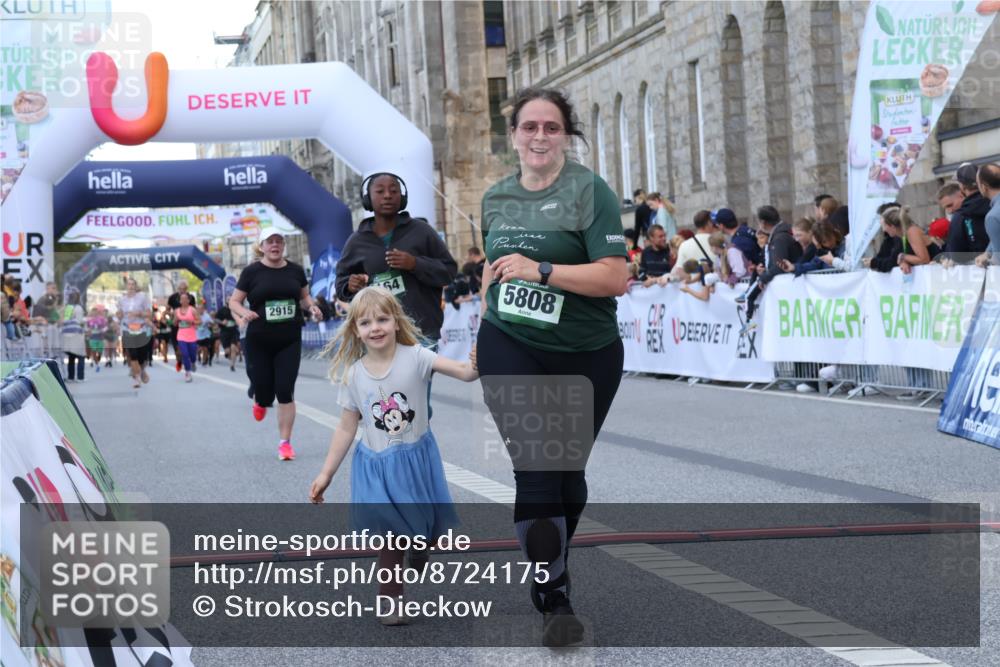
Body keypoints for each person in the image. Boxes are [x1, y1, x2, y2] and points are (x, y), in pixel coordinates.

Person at [477, 87, 629, 646]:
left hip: (586, 349)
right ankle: (554, 593)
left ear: (566, 134)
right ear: (513, 134)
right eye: (529, 127)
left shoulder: (590, 192)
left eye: (551, 127)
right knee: (537, 468)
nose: (539, 136)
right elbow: (495, 271)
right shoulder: (495, 198)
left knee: (568, 480)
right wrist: (481, 332)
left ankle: (552, 565)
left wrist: (542, 270)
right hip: (510, 341)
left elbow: (615, 277)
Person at [309, 287, 478, 626]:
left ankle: (422, 544)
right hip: (377, 466)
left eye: (383, 319)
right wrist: (326, 473)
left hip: (417, 460)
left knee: (426, 530)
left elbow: (464, 372)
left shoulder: (416, 356)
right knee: (391, 538)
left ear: (396, 321)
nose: (375, 328)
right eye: (366, 322)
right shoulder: (354, 375)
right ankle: (390, 599)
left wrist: (477, 359)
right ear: (355, 329)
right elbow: (346, 428)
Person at [229, 227, 323, 461]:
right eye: (270, 242)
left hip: (289, 339)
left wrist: (312, 307)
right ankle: (260, 400)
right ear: (261, 246)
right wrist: (244, 313)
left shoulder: (296, 270)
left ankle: (285, 443)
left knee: (285, 391)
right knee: (263, 390)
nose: (275, 245)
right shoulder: (251, 272)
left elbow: (303, 297)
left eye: (279, 241)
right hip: (259, 339)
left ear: (283, 246)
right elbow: (234, 301)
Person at [335, 172, 458, 344]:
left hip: (421, 332)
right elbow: (340, 284)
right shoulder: (357, 241)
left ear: (402, 197)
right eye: (380, 191)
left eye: (394, 191)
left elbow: (449, 271)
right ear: (368, 199)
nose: (387, 196)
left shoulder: (422, 231)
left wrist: (415, 264)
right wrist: (350, 285)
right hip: (377, 333)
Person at [944, 163, 991, 259]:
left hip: (977, 269)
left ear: (962, 186)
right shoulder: (995, 205)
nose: (949, 211)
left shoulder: (961, 215)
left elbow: (956, 254)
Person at [117, 278, 153, 389]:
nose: (131, 286)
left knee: (141, 356)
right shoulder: (122, 300)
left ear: (136, 286)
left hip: (141, 329)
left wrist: (139, 313)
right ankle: (137, 378)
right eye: (129, 284)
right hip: (127, 329)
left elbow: (149, 313)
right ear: (126, 286)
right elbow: (119, 314)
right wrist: (118, 315)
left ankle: (141, 370)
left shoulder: (142, 297)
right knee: (133, 355)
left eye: (133, 284)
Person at [780, 220, 847, 275]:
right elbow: (813, 264)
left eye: (830, 239)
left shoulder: (846, 245)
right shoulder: (823, 251)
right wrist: (794, 267)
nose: (828, 243)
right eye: (824, 242)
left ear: (834, 234)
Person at [167, 281, 197, 371]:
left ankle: (189, 361)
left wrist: (193, 321)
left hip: (188, 327)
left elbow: (194, 311)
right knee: (177, 349)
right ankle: (179, 361)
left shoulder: (191, 298)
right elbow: (167, 310)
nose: (182, 291)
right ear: (177, 289)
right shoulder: (172, 297)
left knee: (189, 348)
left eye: (184, 289)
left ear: (186, 289)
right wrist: (172, 314)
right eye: (180, 289)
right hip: (176, 326)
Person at [974, 163, 1000, 266]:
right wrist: (988, 252)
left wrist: (986, 262)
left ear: (984, 187)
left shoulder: (992, 217)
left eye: (977, 184)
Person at [60, 291, 86, 382]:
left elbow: (64, 320)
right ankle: (80, 377)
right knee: (81, 355)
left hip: (66, 333)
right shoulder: (78, 308)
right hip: (76, 334)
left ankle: (71, 377)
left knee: (71, 356)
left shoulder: (67, 308)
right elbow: (79, 321)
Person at [174, 293, 199, 383]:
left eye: (185, 299)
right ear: (180, 301)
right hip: (181, 335)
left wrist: (191, 322)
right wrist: (176, 320)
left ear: (188, 300)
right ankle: (187, 372)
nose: (183, 300)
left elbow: (199, 321)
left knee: (192, 354)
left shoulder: (192, 310)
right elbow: (174, 323)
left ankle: (193, 362)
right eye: (182, 299)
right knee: (184, 354)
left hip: (192, 335)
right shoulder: (177, 311)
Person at [214, 303, 241, 372]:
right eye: (228, 300)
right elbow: (216, 319)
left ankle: (232, 365)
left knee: (233, 348)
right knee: (228, 351)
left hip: (234, 331)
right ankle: (230, 357)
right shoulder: (222, 310)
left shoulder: (235, 309)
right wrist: (222, 322)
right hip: (224, 332)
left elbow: (241, 317)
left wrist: (237, 321)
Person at [85, 307, 107, 371]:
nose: (94, 313)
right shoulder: (89, 320)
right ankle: (96, 364)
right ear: (91, 312)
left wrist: (103, 330)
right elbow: (86, 327)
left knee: (100, 352)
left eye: (95, 312)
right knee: (93, 350)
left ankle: (97, 360)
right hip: (92, 337)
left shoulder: (102, 319)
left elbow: (105, 326)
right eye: (93, 312)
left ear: (97, 312)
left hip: (100, 337)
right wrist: (88, 331)